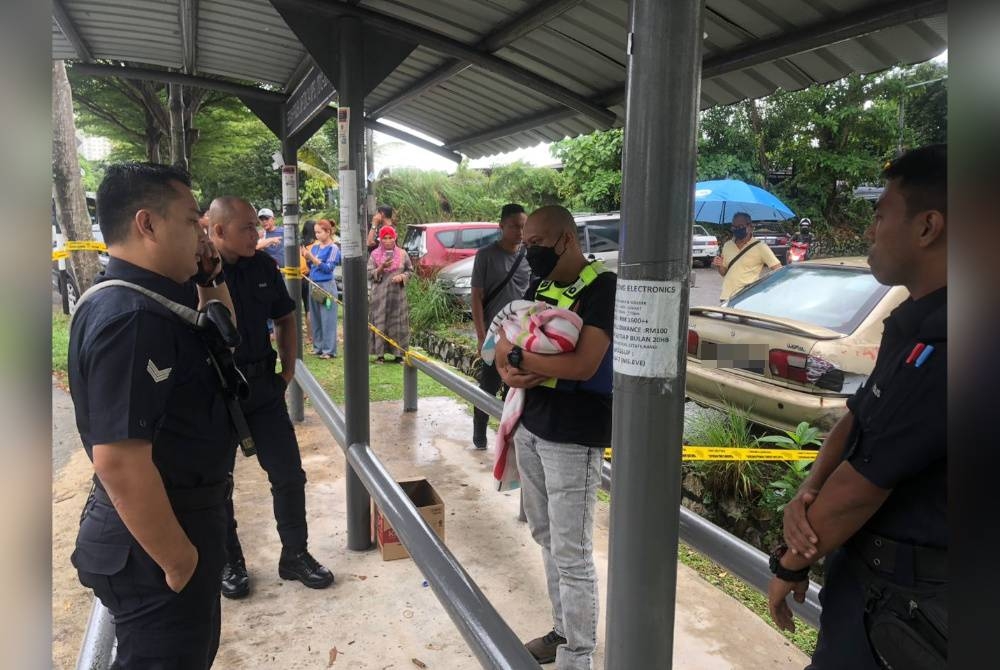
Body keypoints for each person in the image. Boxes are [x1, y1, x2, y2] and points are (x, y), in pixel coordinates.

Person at [767, 145, 947, 669]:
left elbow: (862, 487)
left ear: (927, 226)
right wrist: (807, 491)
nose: (870, 231)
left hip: (916, 605)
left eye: (881, 215)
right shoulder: (913, 323)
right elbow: (858, 417)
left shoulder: (950, 342)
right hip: (875, 583)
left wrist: (790, 562)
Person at [68, 162, 236, 668]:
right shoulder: (133, 318)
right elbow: (119, 460)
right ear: (148, 224)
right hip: (157, 544)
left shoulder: (149, 293)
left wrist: (211, 277)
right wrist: (179, 559)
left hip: (175, 523)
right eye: (191, 221)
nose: (202, 235)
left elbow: (224, 334)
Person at [493, 205, 616, 669]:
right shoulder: (541, 285)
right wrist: (509, 363)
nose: (530, 253)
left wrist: (519, 360)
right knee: (546, 536)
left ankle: (577, 657)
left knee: (572, 551)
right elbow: (505, 337)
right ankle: (563, 631)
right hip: (532, 423)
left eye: (537, 244)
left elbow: (583, 364)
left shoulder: (603, 288)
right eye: (526, 244)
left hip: (573, 435)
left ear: (566, 239)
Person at [206, 196, 335, 600]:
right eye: (246, 227)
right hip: (215, 393)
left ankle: (294, 554)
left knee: (288, 473)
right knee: (216, 483)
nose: (256, 234)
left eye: (255, 226)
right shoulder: (196, 270)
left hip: (263, 386)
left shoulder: (263, 266)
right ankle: (230, 561)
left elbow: (284, 317)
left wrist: (289, 370)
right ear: (218, 230)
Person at [470, 203, 530, 449]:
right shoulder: (486, 255)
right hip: (493, 335)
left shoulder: (529, 256)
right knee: (488, 385)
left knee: (515, 388)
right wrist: (481, 336)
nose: (520, 232)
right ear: (501, 226)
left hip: (521, 335)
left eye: (523, 227)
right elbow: (476, 297)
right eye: (514, 226)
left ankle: (508, 439)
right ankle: (480, 434)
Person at [711, 212, 782, 302]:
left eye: (740, 226)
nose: (737, 229)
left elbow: (778, 270)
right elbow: (724, 273)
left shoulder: (760, 247)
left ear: (750, 227)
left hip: (746, 299)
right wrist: (719, 265)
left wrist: (764, 286)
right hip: (726, 297)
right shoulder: (727, 245)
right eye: (734, 227)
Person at [368, 225, 412, 363]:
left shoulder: (403, 254)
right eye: (384, 238)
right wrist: (381, 268)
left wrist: (402, 277)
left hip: (397, 296)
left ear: (395, 238)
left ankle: (398, 354)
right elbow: (369, 273)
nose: (387, 241)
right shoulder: (374, 255)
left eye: (390, 238)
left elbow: (410, 271)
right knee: (380, 322)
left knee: (397, 322)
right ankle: (380, 354)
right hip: (380, 296)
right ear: (380, 239)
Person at [303, 219, 341, 359]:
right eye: (315, 232)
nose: (317, 235)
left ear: (328, 232)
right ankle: (318, 347)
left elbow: (328, 268)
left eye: (319, 232)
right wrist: (307, 257)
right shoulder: (315, 247)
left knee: (327, 317)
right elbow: (310, 266)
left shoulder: (334, 248)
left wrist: (312, 258)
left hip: (326, 287)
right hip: (313, 284)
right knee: (315, 316)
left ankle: (329, 350)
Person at [299, 219, 317, 341]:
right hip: (308, 277)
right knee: (309, 308)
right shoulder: (315, 245)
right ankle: (311, 336)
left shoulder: (299, 244)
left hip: (295, 278)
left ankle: (299, 334)